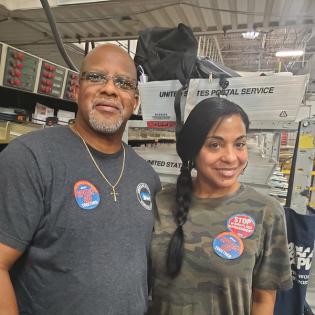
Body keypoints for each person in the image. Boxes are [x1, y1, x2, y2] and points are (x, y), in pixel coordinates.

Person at [0, 43, 161, 315]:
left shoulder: (146, 176)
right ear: (76, 90)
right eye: (97, 77)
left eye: (123, 83)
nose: (109, 89)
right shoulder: (31, 158)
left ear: (135, 101)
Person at [147, 97, 292, 315]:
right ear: (192, 150)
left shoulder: (266, 212)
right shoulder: (161, 201)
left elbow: (263, 300)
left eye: (239, 144)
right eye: (215, 145)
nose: (231, 157)